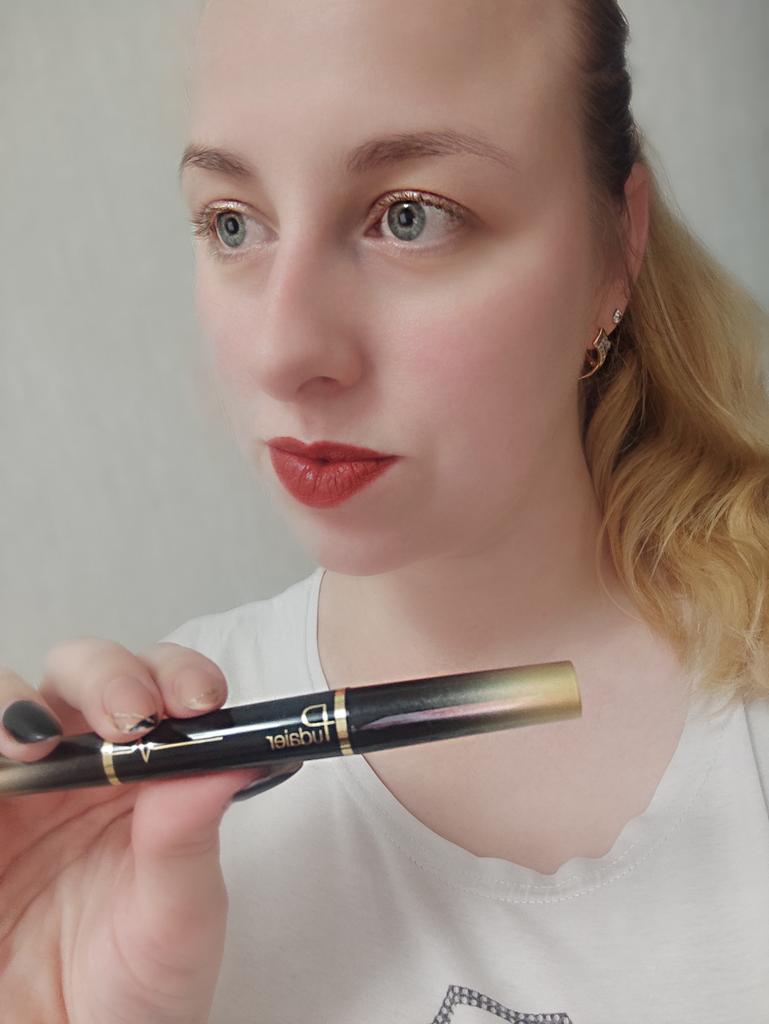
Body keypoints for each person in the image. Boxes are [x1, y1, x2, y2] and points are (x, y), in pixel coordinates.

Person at [1, 0, 768, 1020]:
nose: (284, 351)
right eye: (233, 223)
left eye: (410, 215)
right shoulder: (143, 790)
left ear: (613, 245)